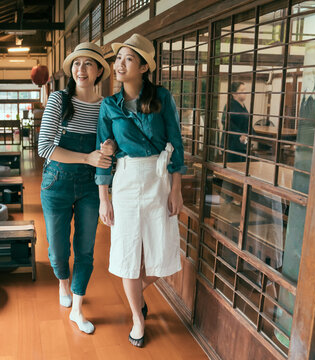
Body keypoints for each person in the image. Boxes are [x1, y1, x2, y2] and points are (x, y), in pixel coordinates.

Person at [96, 34, 186, 347]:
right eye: (117, 58)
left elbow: (177, 143)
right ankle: (138, 317)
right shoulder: (109, 105)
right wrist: (103, 198)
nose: (119, 65)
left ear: (144, 66)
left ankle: (138, 289)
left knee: (164, 253)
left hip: (159, 178)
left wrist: (177, 188)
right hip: (125, 179)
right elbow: (103, 154)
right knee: (127, 253)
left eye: (127, 59)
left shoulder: (162, 97)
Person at [38, 42, 115, 335]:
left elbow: (111, 145)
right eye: (76, 63)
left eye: (88, 64)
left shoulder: (107, 106)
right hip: (56, 181)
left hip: (90, 186)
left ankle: (78, 310)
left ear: (98, 72)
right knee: (58, 252)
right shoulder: (59, 100)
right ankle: (63, 281)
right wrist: (86, 156)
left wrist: (110, 146)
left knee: (85, 250)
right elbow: (45, 147)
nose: (80, 69)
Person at [221, 81, 250, 162]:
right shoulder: (230, 104)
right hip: (231, 144)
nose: (245, 92)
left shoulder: (243, 105)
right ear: (234, 94)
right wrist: (239, 135)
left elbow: (246, 122)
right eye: (242, 90)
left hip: (242, 144)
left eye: (245, 90)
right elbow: (225, 121)